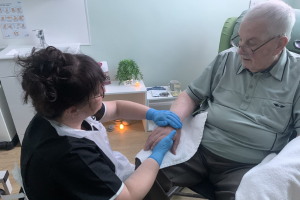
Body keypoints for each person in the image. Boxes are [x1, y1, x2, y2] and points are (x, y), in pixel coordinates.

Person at [143, 1, 299, 200]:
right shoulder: (226, 59)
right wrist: (172, 123)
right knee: (145, 174)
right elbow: (190, 95)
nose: (240, 51)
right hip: (198, 149)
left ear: (279, 44)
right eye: (239, 40)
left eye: (251, 43)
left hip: (249, 165)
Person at [18, 46, 182, 200]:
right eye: (98, 93)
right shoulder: (73, 155)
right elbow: (128, 195)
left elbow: (116, 108)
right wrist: (157, 155)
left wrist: (152, 113)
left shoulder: (56, 110)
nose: (103, 93)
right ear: (73, 110)